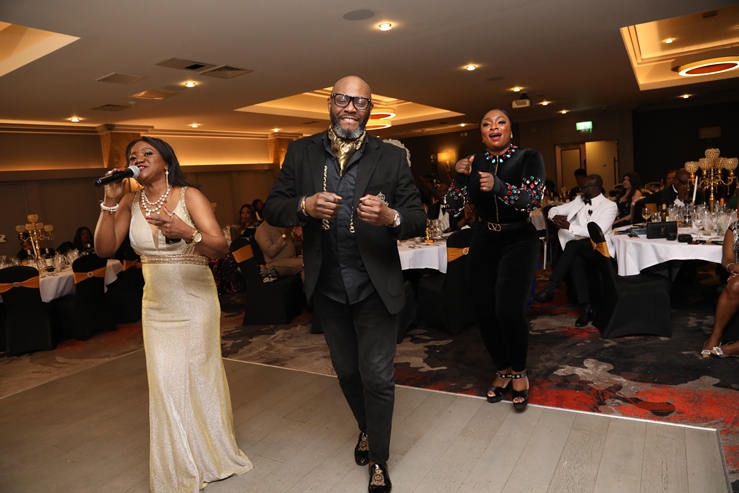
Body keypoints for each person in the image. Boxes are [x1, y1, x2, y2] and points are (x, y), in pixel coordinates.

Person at [264, 75, 426, 493]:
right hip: (328, 286)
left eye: (360, 101)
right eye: (342, 99)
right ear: (329, 103)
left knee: (377, 376)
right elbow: (274, 207)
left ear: (370, 108)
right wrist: (304, 205)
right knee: (348, 373)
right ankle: (367, 428)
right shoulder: (301, 152)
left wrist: (390, 217)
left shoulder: (392, 157)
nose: (350, 107)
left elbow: (417, 217)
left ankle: (379, 459)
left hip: (376, 285)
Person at [93, 136, 252, 492]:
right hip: (156, 305)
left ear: (166, 161)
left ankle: (211, 454)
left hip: (195, 301)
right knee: (165, 383)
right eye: (133, 155)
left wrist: (187, 232)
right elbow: (104, 248)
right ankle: (179, 464)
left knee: (199, 376)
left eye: (147, 153)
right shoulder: (129, 201)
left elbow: (220, 247)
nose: (138, 158)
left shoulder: (189, 195)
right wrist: (109, 202)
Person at [445, 108, 545, 412]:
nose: (494, 126)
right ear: (482, 134)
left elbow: (533, 199)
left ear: (510, 130)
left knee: (508, 309)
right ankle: (502, 369)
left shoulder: (529, 157)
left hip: (519, 239)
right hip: (484, 239)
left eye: (501, 122)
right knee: (484, 310)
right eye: (487, 123)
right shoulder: (474, 162)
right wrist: (459, 176)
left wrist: (499, 186)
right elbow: (453, 206)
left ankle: (519, 371)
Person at [533, 174, 618, 327]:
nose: (580, 190)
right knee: (576, 260)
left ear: (595, 188)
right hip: (579, 247)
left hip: (597, 247)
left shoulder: (609, 206)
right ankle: (586, 308)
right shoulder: (579, 200)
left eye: (584, 187)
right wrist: (555, 217)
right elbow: (555, 209)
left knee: (572, 246)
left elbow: (595, 232)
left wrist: (569, 226)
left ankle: (551, 287)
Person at [703, 224, 739, 358]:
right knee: (735, 285)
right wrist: (731, 267)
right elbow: (727, 258)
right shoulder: (735, 228)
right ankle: (716, 336)